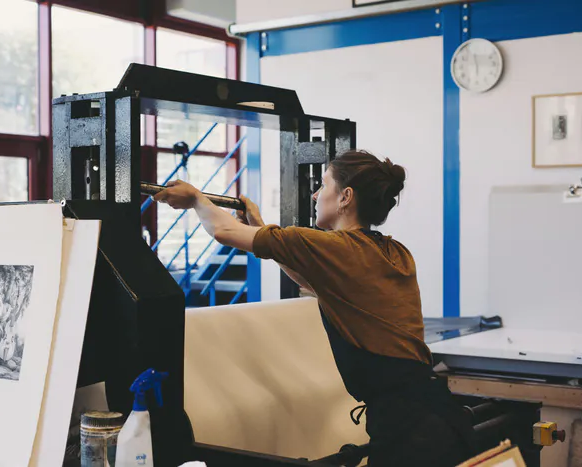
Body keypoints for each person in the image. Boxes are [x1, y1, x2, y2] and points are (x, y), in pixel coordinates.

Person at [154, 150, 477, 466]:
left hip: (406, 431)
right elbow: (312, 279)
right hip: (435, 414)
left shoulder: (333, 246)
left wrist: (196, 198)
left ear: (345, 197)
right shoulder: (391, 249)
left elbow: (224, 231)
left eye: (323, 185)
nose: (315, 195)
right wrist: (261, 228)